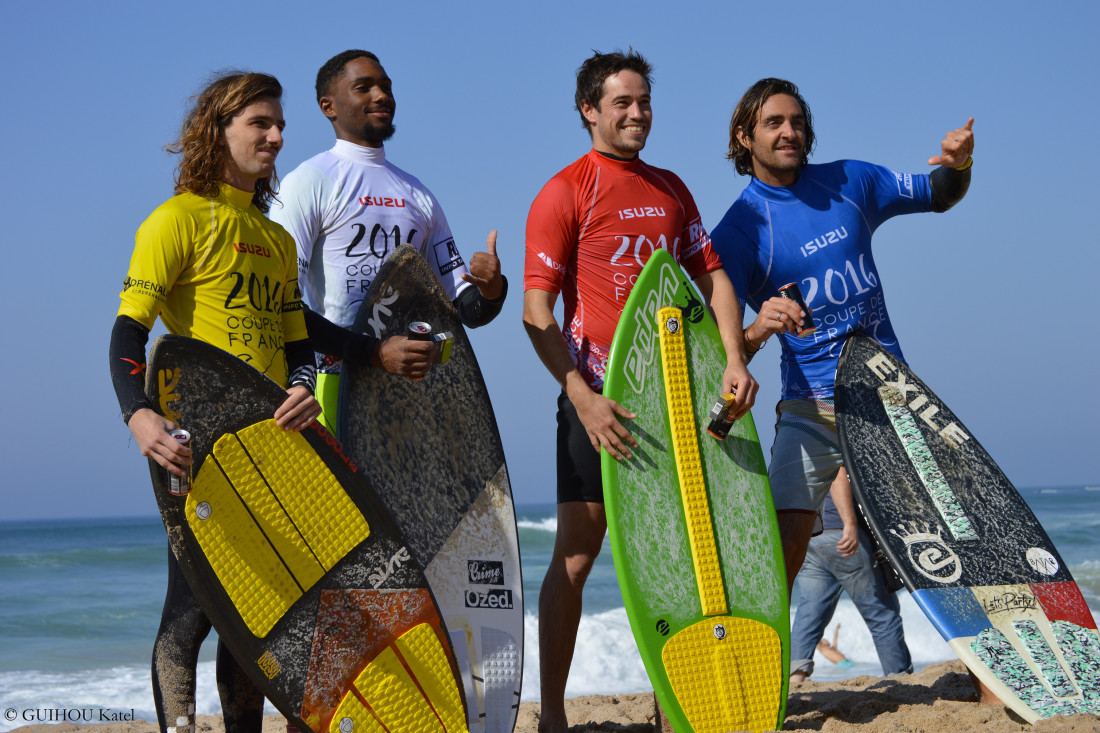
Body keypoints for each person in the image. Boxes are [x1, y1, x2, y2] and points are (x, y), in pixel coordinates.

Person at [522, 49, 758, 733]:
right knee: (577, 552)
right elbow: (537, 314)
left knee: (683, 553)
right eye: (621, 102)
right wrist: (583, 397)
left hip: (672, 398)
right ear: (589, 110)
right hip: (597, 395)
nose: (636, 113)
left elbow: (711, 276)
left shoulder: (670, 189)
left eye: (643, 102)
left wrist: (733, 357)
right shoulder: (567, 191)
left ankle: (673, 705)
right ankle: (555, 714)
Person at [109, 71, 322, 733]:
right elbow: (128, 332)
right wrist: (139, 415)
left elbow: (298, 346)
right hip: (195, 446)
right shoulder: (176, 220)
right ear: (219, 128)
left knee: (251, 614)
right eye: (260, 122)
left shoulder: (278, 241)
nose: (276, 136)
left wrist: (304, 390)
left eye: (279, 124)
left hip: (268, 450)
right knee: (194, 606)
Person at [709, 77, 975, 595]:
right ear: (745, 138)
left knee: (946, 545)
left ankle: (984, 672)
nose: (789, 133)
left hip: (888, 395)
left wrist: (959, 165)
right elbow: (725, 349)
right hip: (811, 406)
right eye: (774, 123)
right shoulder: (738, 231)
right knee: (780, 550)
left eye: (797, 122)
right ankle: (766, 672)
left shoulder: (851, 181)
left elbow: (939, 195)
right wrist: (761, 326)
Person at [270, 50, 506, 430]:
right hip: (336, 381)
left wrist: (493, 289)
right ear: (327, 106)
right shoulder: (307, 183)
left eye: (386, 87)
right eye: (364, 87)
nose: (381, 96)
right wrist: (372, 353)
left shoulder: (419, 195)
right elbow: (283, 307)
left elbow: (466, 310)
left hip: (409, 390)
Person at [789, 471, 912, 689]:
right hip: (840, 533)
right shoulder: (834, 436)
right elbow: (837, 475)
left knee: (809, 614)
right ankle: (900, 679)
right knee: (882, 614)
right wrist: (850, 524)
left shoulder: (797, 441)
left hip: (811, 534)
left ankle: (795, 681)